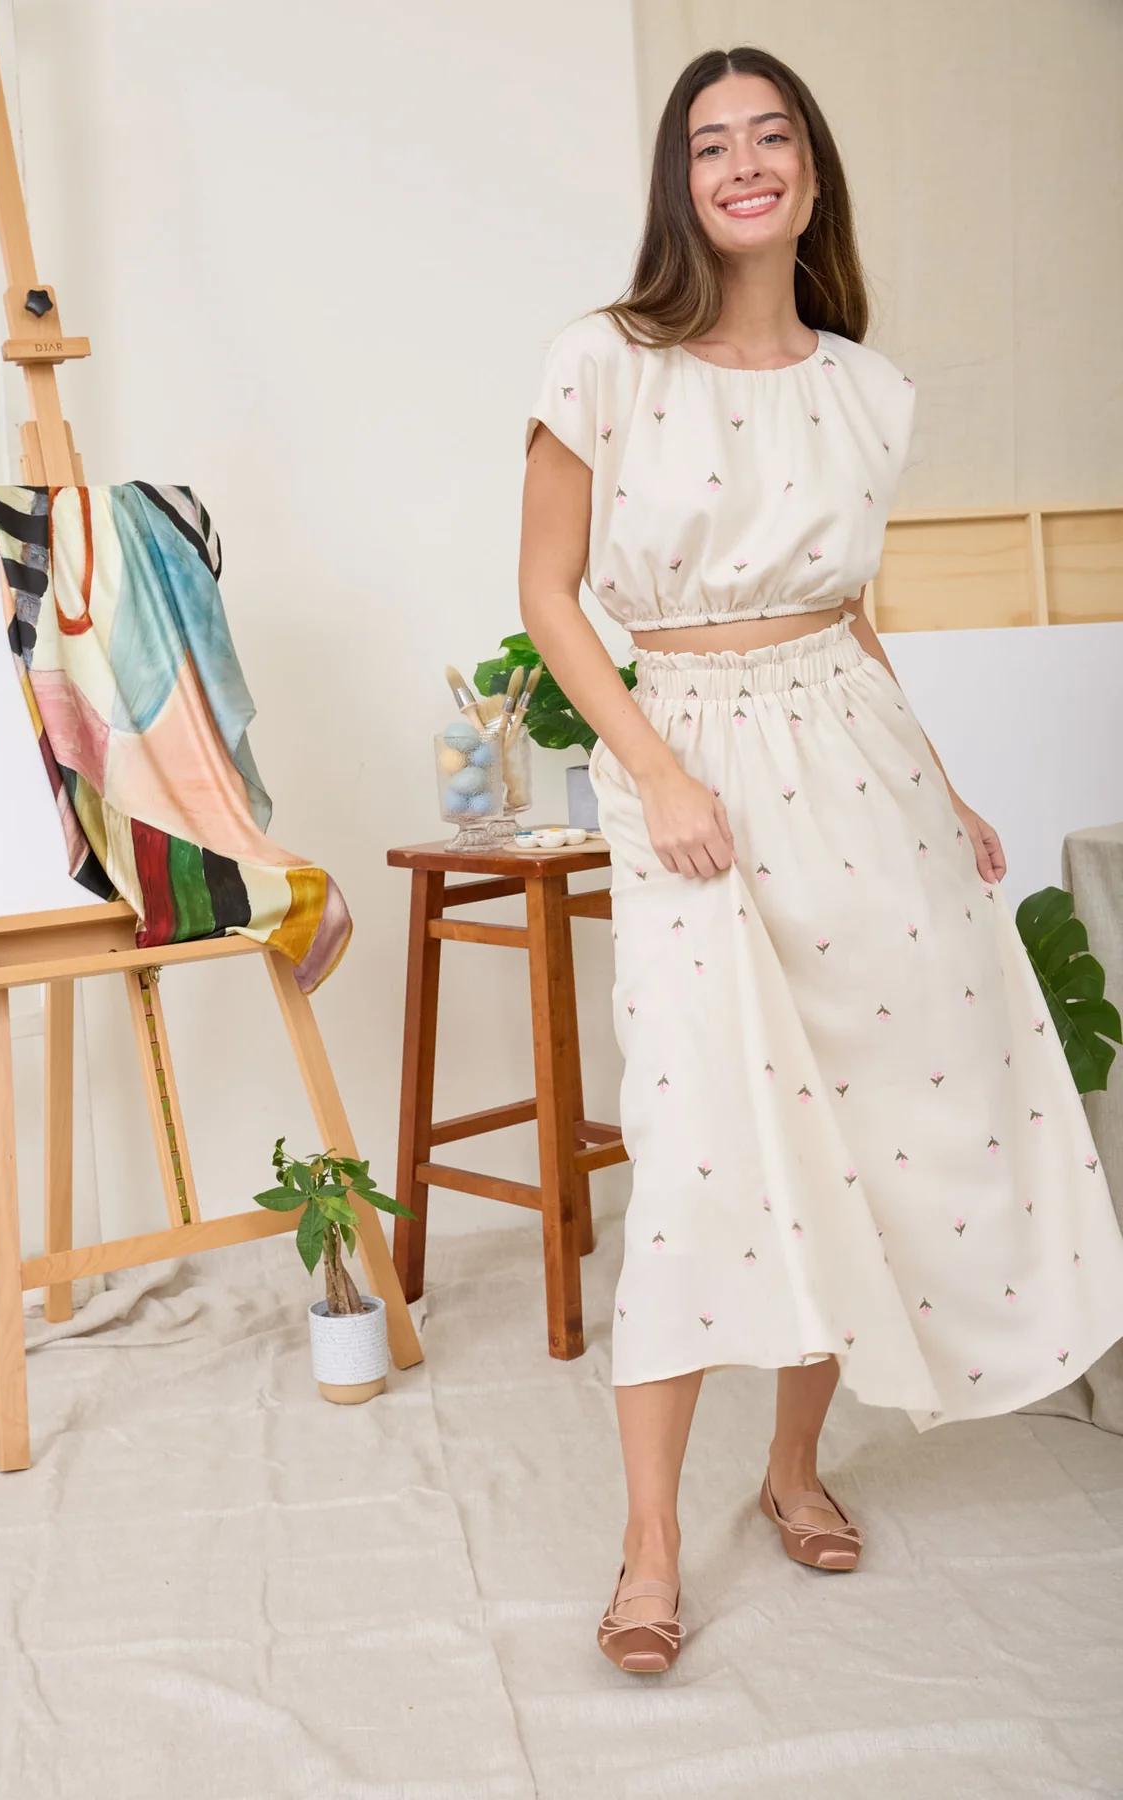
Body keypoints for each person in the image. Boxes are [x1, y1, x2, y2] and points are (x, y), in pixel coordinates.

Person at [518, 44, 1123, 1675]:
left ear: (809, 168)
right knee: (701, 1145)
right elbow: (550, 600)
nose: (742, 165)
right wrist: (653, 773)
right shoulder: (605, 362)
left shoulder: (869, 388)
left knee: (851, 1127)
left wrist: (940, 782)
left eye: (768, 136)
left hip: (853, 763)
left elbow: (853, 611)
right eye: (709, 145)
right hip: (692, 766)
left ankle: (791, 1472)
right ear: (681, 182)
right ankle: (649, 1547)